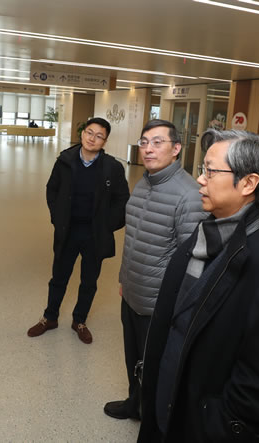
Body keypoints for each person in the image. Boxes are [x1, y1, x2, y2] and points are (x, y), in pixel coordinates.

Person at [137, 129, 259, 442]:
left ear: (248, 183)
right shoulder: (206, 233)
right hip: (169, 404)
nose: (200, 179)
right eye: (203, 169)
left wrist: (218, 422)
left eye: (211, 171)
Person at [103, 119, 205, 420]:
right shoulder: (144, 182)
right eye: (144, 142)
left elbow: (191, 260)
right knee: (133, 357)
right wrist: (124, 280)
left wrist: (175, 305)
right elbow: (134, 239)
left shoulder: (189, 195)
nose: (148, 149)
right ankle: (134, 403)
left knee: (155, 365)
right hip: (133, 292)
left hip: (160, 303)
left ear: (176, 149)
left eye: (158, 142)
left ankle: (152, 418)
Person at [27, 117, 130, 343]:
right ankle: (50, 317)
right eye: (89, 132)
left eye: (99, 136)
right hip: (68, 231)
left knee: (89, 281)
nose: (92, 138)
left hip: (95, 234)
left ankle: (79, 320)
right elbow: (52, 189)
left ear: (105, 141)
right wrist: (57, 217)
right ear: (82, 133)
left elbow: (122, 200)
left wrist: (107, 225)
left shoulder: (112, 167)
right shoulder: (65, 160)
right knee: (59, 277)